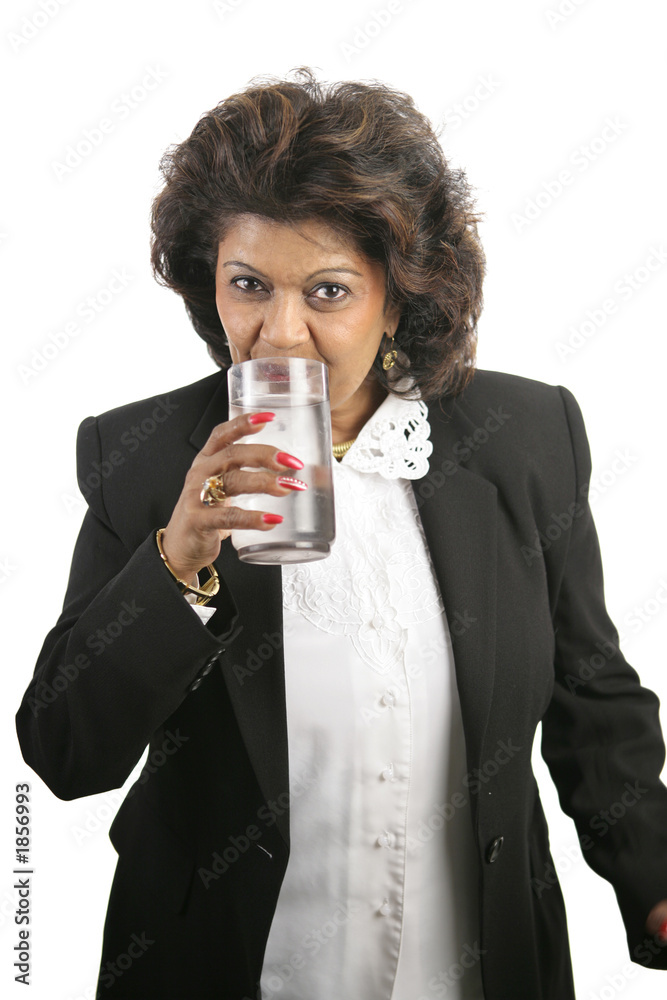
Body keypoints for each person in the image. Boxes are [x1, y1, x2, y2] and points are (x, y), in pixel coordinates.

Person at [15, 66, 667, 1000]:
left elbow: (590, 695)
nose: (279, 332)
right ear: (212, 287)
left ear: (396, 296)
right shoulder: (145, 457)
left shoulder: (523, 440)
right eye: (249, 285)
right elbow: (66, 753)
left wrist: (652, 883)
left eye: (326, 291)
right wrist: (178, 561)